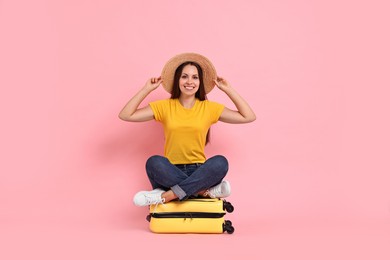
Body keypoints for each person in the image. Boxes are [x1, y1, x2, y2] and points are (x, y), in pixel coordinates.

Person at [119, 53, 256, 207]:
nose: (189, 81)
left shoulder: (209, 108)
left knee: (220, 163)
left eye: (195, 77)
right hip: (170, 172)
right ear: (178, 80)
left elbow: (248, 116)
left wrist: (228, 89)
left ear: (200, 82)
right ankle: (201, 192)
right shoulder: (164, 106)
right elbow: (126, 115)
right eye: (184, 77)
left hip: (200, 172)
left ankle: (166, 195)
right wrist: (146, 89)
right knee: (154, 162)